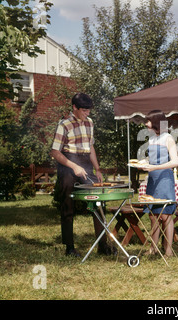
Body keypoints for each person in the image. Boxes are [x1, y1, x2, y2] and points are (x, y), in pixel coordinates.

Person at [51, 93, 113, 257]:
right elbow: (55, 152)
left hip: (85, 163)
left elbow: (90, 147)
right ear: (74, 108)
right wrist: (73, 166)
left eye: (88, 111)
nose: (87, 114)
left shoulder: (90, 123)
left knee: (99, 201)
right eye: (84, 111)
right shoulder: (64, 124)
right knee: (67, 205)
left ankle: (103, 245)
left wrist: (97, 169)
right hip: (68, 164)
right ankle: (69, 247)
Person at [142, 110, 178, 257]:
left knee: (166, 215)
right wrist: (143, 162)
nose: (146, 124)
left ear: (156, 122)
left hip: (164, 179)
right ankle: (153, 248)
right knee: (153, 215)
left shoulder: (168, 138)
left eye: (149, 121)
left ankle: (168, 250)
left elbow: (175, 162)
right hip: (153, 179)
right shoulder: (152, 139)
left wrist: (154, 167)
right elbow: (153, 160)